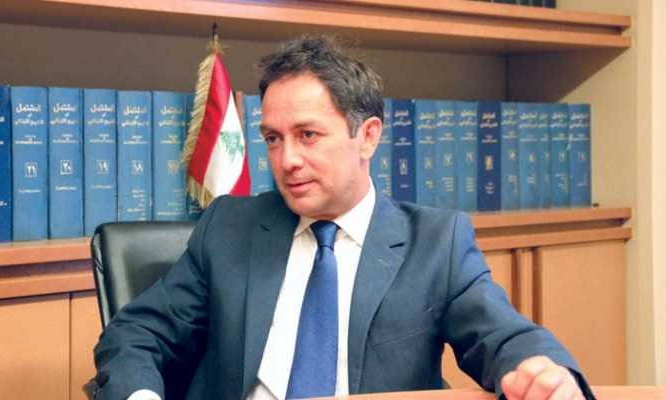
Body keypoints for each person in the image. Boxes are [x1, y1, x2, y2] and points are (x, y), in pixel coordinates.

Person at [94, 35, 592, 400]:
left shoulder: (434, 243)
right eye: (273, 139)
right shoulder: (230, 226)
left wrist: (546, 372)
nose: (287, 160)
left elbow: (502, 335)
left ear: (368, 136)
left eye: (307, 135)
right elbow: (137, 334)